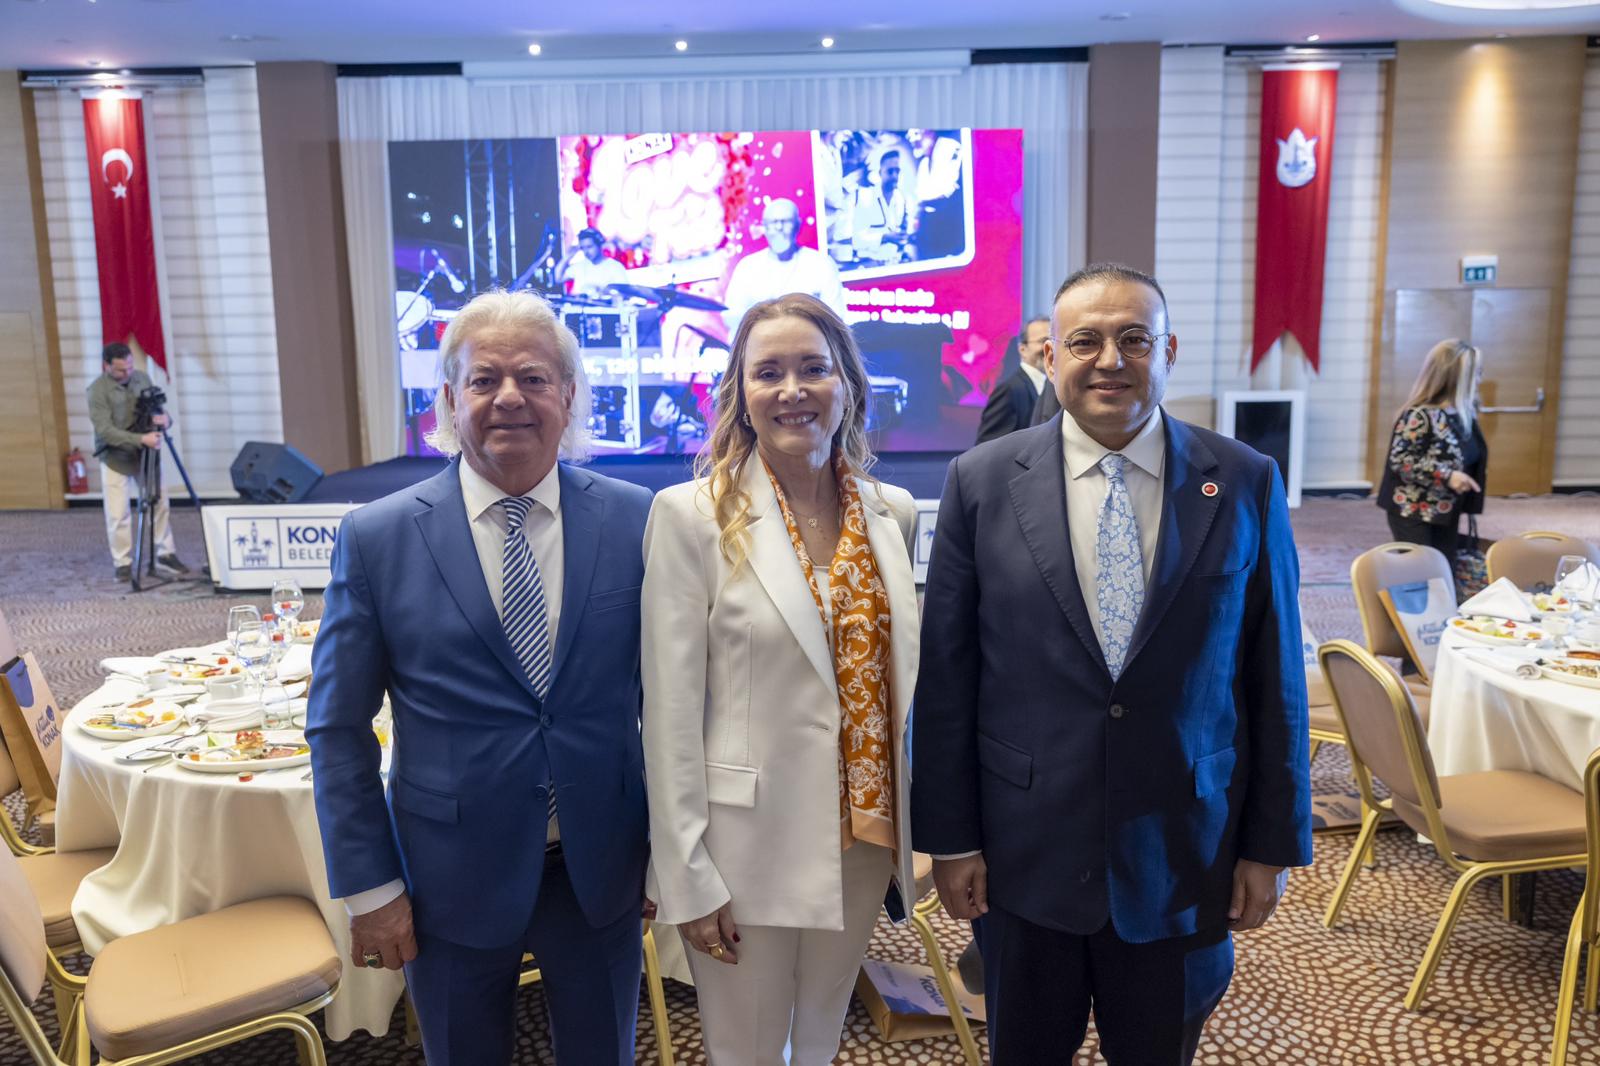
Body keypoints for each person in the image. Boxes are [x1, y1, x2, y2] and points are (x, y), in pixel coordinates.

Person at [911, 263, 1312, 1064]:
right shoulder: (980, 482)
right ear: (1050, 356)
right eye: (1085, 341)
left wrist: (1271, 845)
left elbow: (1276, 682)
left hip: (1184, 855)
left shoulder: (1244, 481)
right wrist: (950, 840)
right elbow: (949, 682)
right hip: (1024, 858)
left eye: (1134, 339)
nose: (1109, 360)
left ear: (1169, 351)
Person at [305, 290, 653, 1065]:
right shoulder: (377, 538)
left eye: (533, 378)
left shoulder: (640, 521)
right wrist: (372, 888)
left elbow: (672, 704)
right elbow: (336, 727)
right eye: (484, 379)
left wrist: (673, 853)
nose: (510, 398)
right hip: (446, 880)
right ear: (448, 400)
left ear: (569, 395)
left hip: (602, 871)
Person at [642, 293, 920, 1064]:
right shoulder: (691, 516)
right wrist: (686, 873)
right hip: (743, 847)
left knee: (821, 1035)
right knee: (748, 1049)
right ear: (741, 392)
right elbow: (668, 716)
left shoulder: (892, 513)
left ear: (848, 385)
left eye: (813, 369)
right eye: (768, 372)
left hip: (863, 839)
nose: (793, 390)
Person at [1377, 338, 1488, 562]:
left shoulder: (1463, 415)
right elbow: (1401, 461)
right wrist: (1448, 475)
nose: (1479, 380)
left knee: (1444, 573)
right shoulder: (1420, 416)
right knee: (1423, 573)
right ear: (1457, 378)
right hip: (1414, 511)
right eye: (1475, 374)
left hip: (1446, 510)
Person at [86, 342, 187, 580]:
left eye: (130, 367)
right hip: (115, 457)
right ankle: (122, 563)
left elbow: (156, 408)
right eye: (121, 370)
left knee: (159, 503)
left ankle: (165, 553)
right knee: (118, 513)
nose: (127, 373)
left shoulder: (142, 378)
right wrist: (141, 438)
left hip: (146, 454)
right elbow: (106, 432)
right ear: (107, 366)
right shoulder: (97, 391)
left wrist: (165, 419)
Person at [721, 198, 849, 334]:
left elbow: (836, 318)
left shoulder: (821, 264)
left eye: (785, 221)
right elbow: (731, 317)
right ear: (764, 227)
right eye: (773, 222)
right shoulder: (747, 267)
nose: (779, 228)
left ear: (797, 225)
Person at [975, 316, 1051, 444]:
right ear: (1023, 350)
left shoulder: (1054, 386)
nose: (1050, 348)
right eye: (1043, 341)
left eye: (1053, 341)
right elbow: (987, 446)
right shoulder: (1009, 391)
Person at [852, 147, 913, 267]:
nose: (894, 175)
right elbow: (856, 241)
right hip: (869, 264)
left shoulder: (901, 199)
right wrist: (885, 237)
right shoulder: (865, 197)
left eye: (897, 171)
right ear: (880, 173)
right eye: (890, 171)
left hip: (894, 263)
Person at [555, 227, 628, 298]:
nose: (586, 252)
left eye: (589, 247)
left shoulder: (615, 267)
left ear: (600, 245)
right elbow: (558, 279)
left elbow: (625, 293)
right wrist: (567, 257)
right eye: (583, 248)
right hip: (577, 305)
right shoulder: (579, 266)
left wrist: (602, 291)